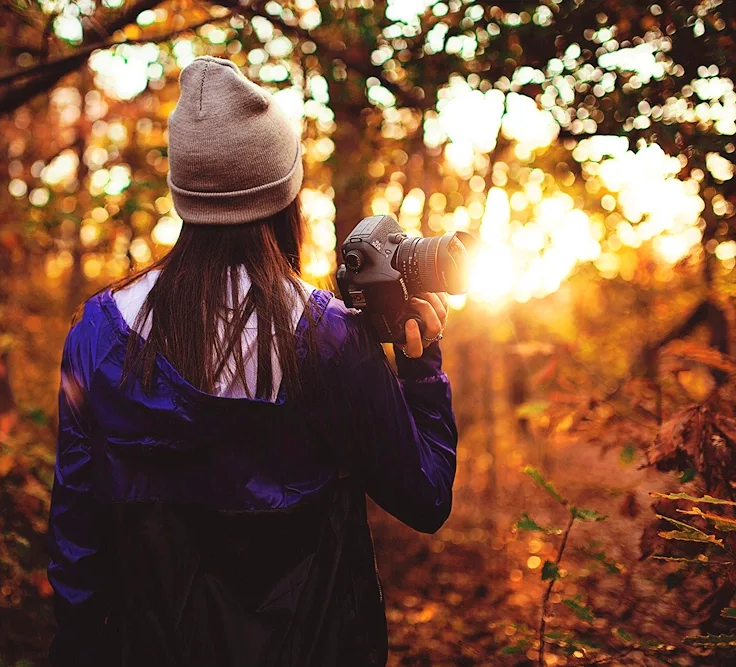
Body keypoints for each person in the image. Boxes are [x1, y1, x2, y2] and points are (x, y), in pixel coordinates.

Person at [47, 55, 457, 667]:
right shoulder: (329, 338)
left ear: (183, 194)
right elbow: (425, 497)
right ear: (285, 197)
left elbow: (77, 536)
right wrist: (421, 367)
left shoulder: (98, 335)